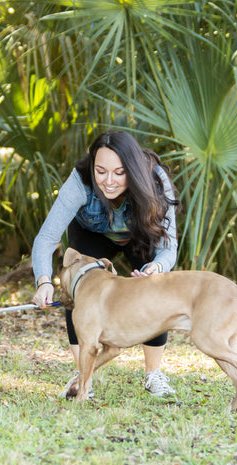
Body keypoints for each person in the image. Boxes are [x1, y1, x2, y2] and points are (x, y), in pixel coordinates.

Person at [31, 130, 179, 398]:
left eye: (119, 173)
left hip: (138, 236)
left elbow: (168, 249)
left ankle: (153, 374)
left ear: (132, 169)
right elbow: (46, 238)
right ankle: (82, 377)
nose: (108, 181)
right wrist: (43, 281)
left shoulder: (155, 180)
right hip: (92, 234)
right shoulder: (80, 181)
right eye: (101, 171)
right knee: (78, 291)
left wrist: (157, 268)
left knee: (154, 292)